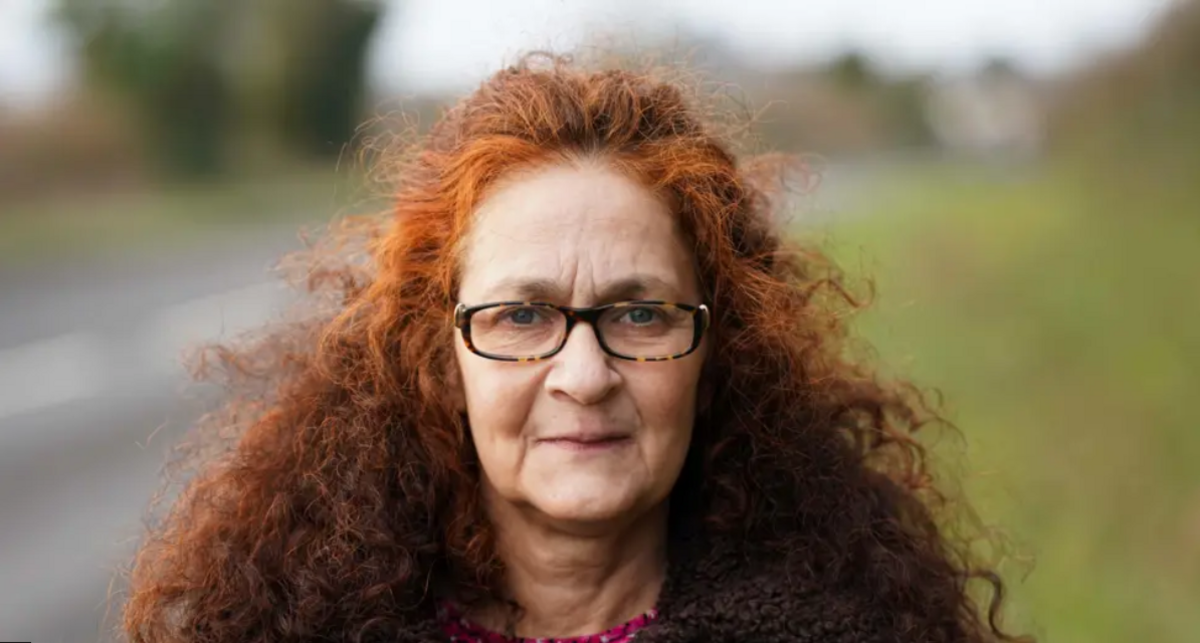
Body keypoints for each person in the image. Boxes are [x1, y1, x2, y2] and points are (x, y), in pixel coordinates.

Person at [121, 53, 1026, 643]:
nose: (586, 377)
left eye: (640, 316)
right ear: (441, 358)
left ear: (718, 355)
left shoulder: (857, 627)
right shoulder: (284, 626)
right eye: (521, 317)